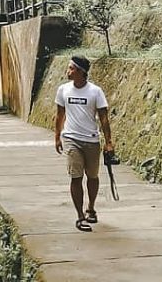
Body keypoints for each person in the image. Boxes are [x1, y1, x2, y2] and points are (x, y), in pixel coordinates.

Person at [54, 55, 114, 232]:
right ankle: (80, 216)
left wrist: (109, 141)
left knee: (92, 177)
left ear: (81, 72)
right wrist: (57, 136)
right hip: (71, 139)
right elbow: (59, 115)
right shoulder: (63, 90)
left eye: (71, 68)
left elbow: (103, 117)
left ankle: (91, 208)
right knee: (76, 176)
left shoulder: (95, 92)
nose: (68, 71)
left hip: (91, 139)